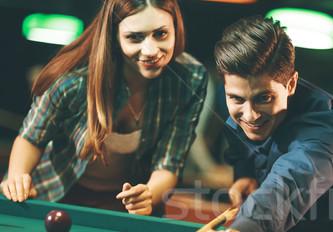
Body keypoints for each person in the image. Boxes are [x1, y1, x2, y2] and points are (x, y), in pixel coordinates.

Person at [194, 15, 333, 232]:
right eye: (237, 99)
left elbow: (286, 190)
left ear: (291, 84)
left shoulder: (331, 131)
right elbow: (240, 138)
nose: (250, 114)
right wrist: (245, 173)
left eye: (264, 98)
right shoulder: (234, 94)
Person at [1, 0, 207, 215]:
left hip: (127, 211)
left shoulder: (191, 79)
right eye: (134, 37)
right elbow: (33, 137)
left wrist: (148, 194)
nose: (150, 50)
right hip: (56, 196)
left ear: (176, 29)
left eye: (160, 34)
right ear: (114, 37)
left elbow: (170, 162)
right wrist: (17, 175)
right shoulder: (73, 79)